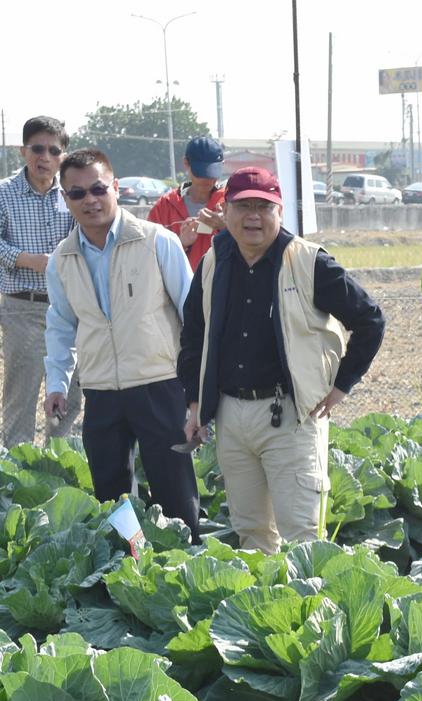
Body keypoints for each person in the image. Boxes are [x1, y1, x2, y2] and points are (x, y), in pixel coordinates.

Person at [178, 167, 385, 554]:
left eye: (263, 207)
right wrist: (195, 402)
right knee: (250, 533)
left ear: (279, 212)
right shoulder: (214, 260)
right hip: (231, 415)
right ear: (226, 210)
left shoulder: (309, 263)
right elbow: (193, 334)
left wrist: (341, 385)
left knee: (302, 537)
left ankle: (309, 612)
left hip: (290, 415)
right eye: (243, 206)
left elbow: (370, 320)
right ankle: (264, 611)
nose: (253, 216)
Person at [43, 148, 201, 541]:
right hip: (101, 391)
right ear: (65, 199)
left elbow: (192, 315)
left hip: (159, 384)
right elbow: (61, 326)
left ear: (115, 187)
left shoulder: (156, 242)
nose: (90, 200)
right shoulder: (61, 260)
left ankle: (186, 572)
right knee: (113, 499)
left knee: (175, 493)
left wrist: (196, 390)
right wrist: (58, 383)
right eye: (76, 193)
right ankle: (129, 572)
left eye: (98, 188)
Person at [0, 116, 82, 446]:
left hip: (69, 309)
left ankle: (58, 467)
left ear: (63, 155)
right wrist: (27, 260)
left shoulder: (73, 194)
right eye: (37, 148)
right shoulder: (5, 193)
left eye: (53, 150)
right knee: (21, 396)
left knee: (70, 397)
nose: (44, 157)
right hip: (23, 309)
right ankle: (15, 479)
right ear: (23, 151)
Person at [148, 135, 227, 270]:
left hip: (221, 288)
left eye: (212, 173)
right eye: (200, 173)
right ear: (186, 163)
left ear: (222, 166)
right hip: (179, 289)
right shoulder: (164, 207)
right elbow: (149, 256)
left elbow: (254, 249)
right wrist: (180, 243)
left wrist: (227, 227)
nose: (206, 179)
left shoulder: (231, 203)